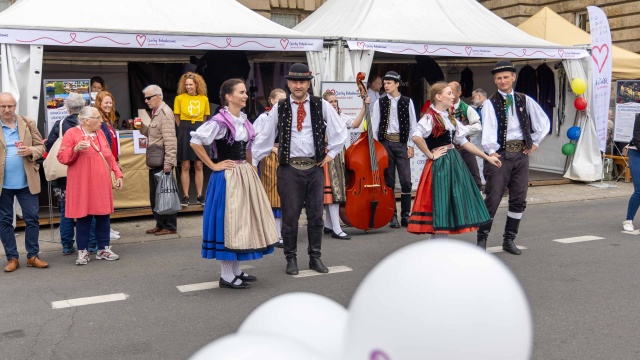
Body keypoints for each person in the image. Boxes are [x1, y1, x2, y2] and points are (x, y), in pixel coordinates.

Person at [252, 63, 348, 276]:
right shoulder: (280, 107)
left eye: (302, 81)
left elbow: (339, 130)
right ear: (288, 83)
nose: (298, 85)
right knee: (290, 216)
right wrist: (253, 162)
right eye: (294, 81)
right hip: (289, 170)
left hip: (314, 168)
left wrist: (331, 154)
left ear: (308, 84)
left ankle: (315, 257)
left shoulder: (320, 104)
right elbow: (266, 137)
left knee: (315, 216)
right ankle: (291, 258)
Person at [190, 78, 278, 289]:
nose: (245, 95)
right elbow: (195, 142)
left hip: (244, 175)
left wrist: (251, 170)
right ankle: (226, 274)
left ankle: (236, 270)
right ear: (228, 97)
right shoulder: (219, 121)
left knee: (242, 222)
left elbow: (247, 149)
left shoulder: (244, 120)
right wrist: (213, 164)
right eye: (241, 92)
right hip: (227, 177)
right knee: (228, 222)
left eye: (245, 92)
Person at [407, 82, 501, 237]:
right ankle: (437, 250)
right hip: (441, 165)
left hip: (453, 162)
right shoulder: (430, 117)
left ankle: (440, 249)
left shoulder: (449, 118)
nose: (453, 96)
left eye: (452, 93)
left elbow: (463, 142)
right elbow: (416, 136)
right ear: (438, 96)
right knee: (441, 204)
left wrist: (487, 157)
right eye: (449, 93)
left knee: (450, 205)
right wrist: (431, 155)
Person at [478, 60, 550, 254]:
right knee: (493, 198)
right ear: (495, 80)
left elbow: (543, 121)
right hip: (499, 155)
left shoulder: (524, 100)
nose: (502, 81)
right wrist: (491, 151)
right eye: (499, 78)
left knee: (519, 198)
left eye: (506, 77)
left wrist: (534, 142)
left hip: (520, 154)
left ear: (513, 77)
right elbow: (488, 131)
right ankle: (481, 241)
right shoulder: (489, 103)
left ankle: (509, 240)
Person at [58, 106, 123, 265]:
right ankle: (83, 252)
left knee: (103, 216)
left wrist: (118, 173)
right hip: (81, 182)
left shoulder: (100, 133)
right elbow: (62, 157)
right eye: (98, 118)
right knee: (83, 217)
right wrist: (75, 149)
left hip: (101, 181)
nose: (101, 121)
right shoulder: (72, 133)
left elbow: (109, 156)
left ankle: (103, 249)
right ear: (86, 120)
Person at [0, 92, 48, 272]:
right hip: (2, 184)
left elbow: (41, 146)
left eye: (10, 106)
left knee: (32, 218)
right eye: (3, 106)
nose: (6, 109)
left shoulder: (27, 123)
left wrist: (30, 150)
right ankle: (12, 258)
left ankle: (32, 256)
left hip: (26, 182)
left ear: (15, 106)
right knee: (5, 221)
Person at [371, 71, 417, 228]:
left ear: (397, 84)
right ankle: (392, 216)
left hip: (402, 143)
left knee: (406, 181)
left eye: (389, 83)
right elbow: (375, 127)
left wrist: (411, 145)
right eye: (385, 83)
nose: (386, 85)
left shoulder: (407, 101)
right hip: (386, 144)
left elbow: (413, 125)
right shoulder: (380, 102)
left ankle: (406, 215)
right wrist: (377, 148)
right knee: (389, 181)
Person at [321, 90, 369, 240]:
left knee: (336, 190)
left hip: (339, 153)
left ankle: (329, 224)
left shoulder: (340, 116)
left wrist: (364, 107)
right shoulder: (322, 118)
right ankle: (336, 228)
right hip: (328, 153)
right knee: (333, 190)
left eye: (335, 101)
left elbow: (355, 124)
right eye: (331, 102)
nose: (334, 104)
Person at [44, 92, 83, 255]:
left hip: (64, 174)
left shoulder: (60, 124)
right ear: (83, 107)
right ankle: (91, 244)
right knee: (87, 209)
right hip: (83, 172)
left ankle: (67, 245)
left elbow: (49, 146)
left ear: (67, 108)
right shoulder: (87, 123)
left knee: (66, 210)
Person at [138, 85, 178, 236]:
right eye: (145, 98)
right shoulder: (156, 112)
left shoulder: (165, 113)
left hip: (162, 160)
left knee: (165, 193)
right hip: (155, 160)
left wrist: (169, 162)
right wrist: (141, 127)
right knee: (156, 195)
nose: (146, 101)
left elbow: (170, 140)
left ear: (158, 96)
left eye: (148, 98)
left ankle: (170, 226)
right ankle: (160, 224)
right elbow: (152, 134)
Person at [252, 88, 287, 248]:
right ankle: (275, 234)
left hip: (285, 156)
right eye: (280, 100)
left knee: (284, 194)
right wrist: (272, 148)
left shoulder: (288, 116)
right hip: (270, 157)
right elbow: (255, 138)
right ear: (272, 101)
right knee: (273, 195)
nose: (283, 102)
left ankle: (280, 232)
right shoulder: (264, 118)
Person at [174, 72, 210, 207]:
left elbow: (205, 116)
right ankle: (186, 196)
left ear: (197, 85)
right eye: (186, 84)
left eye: (190, 84)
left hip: (199, 128)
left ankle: (200, 195)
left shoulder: (204, 99)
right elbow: (176, 116)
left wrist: (199, 129)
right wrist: (183, 128)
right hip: (184, 127)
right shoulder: (179, 98)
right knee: (185, 165)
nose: (188, 87)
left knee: (199, 164)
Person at [94, 91, 121, 241]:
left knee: (107, 198)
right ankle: (104, 230)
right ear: (99, 103)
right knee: (103, 199)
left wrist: (116, 161)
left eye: (110, 103)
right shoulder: (99, 121)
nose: (109, 105)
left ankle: (107, 227)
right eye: (106, 102)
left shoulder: (108, 120)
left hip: (111, 161)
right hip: (103, 163)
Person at [449, 81, 483, 191]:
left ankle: (478, 202)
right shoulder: (442, 107)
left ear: (459, 93)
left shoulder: (467, 108)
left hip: (465, 148)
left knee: (474, 177)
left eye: (452, 92)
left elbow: (478, 126)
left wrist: (461, 131)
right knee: (451, 179)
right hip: (448, 149)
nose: (449, 95)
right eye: (447, 92)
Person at [622, 113, 640, 231]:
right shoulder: (639, 117)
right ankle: (628, 220)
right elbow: (637, 138)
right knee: (639, 189)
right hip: (636, 152)